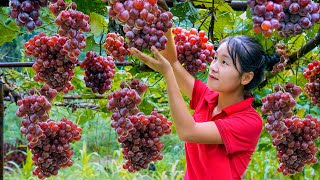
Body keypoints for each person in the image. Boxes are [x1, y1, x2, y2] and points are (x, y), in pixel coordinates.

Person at [128, 29, 277, 180]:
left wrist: (168, 74)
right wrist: (164, 18)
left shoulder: (250, 122)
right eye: (215, 58)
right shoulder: (207, 97)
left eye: (224, 62)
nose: (213, 67)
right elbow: (173, 63)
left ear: (246, 77)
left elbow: (187, 131)